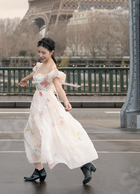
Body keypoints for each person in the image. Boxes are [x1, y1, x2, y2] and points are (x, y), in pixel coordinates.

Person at [18, 37, 98, 185]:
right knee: (33, 134)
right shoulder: (41, 65)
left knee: (57, 136)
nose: (41, 55)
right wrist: (26, 79)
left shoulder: (53, 69)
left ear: (52, 52)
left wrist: (66, 102)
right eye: (39, 52)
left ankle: (85, 164)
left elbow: (59, 88)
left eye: (44, 52)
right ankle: (39, 170)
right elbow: (36, 73)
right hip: (38, 105)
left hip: (48, 105)